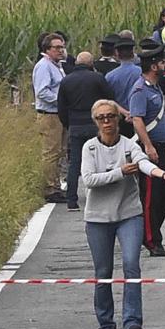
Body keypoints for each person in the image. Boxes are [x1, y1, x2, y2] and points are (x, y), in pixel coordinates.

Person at [82, 99, 165, 329]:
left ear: (117, 119)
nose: (107, 122)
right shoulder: (89, 148)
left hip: (128, 215)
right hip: (98, 218)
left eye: (111, 117)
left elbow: (144, 164)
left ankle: (132, 321)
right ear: (95, 122)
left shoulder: (128, 146)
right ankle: (106, 324)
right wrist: (120, 173)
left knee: (131, 265)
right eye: (101, 118)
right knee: (103, 271)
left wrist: (163, 174)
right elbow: (89, 180)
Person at [130, 45, 165, 257]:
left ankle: (152, 230)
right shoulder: (140, 90)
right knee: (150, 197)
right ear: (153, 65)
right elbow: (137, 119)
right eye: (161, 63)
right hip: (150, 148)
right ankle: (151, 240)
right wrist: (148, 145)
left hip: (162, 146)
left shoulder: (155, 87)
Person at [58, 52, 115, 212]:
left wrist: (68, 124)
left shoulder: (66, 81)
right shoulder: (98, 78)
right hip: (95, 124)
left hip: (75, 125)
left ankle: (71, 200)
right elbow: (110, 99)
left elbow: (61, 107)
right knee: (101, 159)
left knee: (75, 163)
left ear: (76, 63)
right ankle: (102, 197)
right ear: (91, 64)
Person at [33, 32, 67, 203]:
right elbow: (42, 91)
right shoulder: (44, 66)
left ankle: (56, 185)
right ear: (47, 49)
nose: (61, 50)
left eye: (62, 47)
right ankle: (50, 188)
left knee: (59, 151)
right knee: (51, 152)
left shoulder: (57, 65)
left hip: (58, 114)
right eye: (57, 47)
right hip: (50, 114)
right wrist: (61, 100)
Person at [105, 37, 142, 138]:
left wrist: (125, 113)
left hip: (119, 117)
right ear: (133, 52)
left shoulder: (110, 76)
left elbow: (109, 99)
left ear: (117, 53)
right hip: (140, 117)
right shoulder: (141, 73)